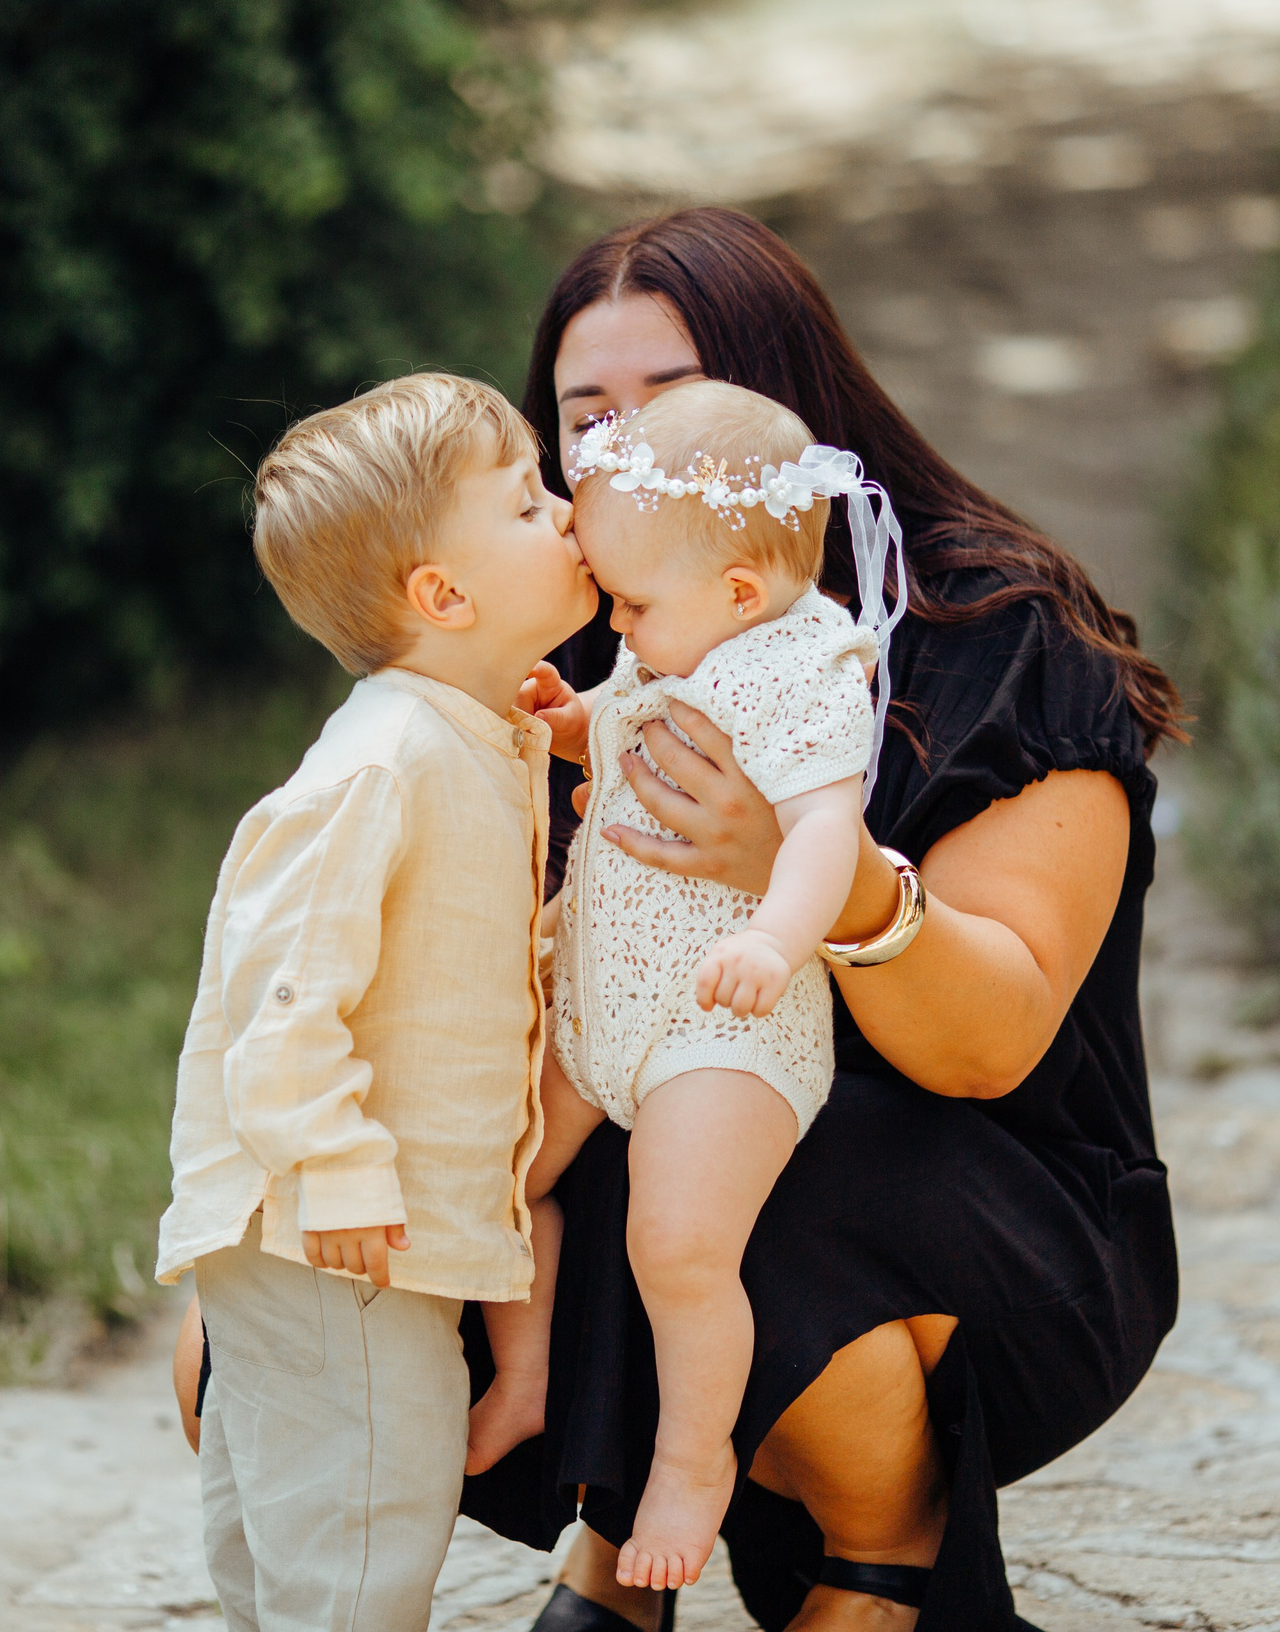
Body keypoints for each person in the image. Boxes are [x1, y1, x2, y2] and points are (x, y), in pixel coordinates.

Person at [458, 206, 1187, 1632]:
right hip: (688, 1126)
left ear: (779, 401)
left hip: (998, 1219)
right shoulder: (597, 643)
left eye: (665, 399)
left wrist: (810, 870)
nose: (617, 447)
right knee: (354, 1250)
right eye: (582, 414)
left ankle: (886, 1547)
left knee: (752, 1143)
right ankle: (616, 1523)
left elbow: (994, 1043)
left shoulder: (997, 627)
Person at [155, 371, 600, 1632]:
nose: (566, 512)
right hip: (343, 1237)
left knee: (293, 1540)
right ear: (442, 595)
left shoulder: (475, 731)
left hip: (361, 1238)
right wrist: (339, 1166)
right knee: (362, 1544)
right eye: (527, 503)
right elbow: (282, 988)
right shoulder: (384, 761)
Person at [465, 380, 902, 1592]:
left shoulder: (802, 670)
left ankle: (689, 1455)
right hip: (609, 1005)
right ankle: (527, 1373)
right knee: (504, 1180)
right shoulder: (679, 638)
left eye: (630, 601)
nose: (612, 617)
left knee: (677, 1242)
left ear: (741, 594)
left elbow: (824, 832)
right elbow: (634, 714)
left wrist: (775, 936)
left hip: (724, 1028)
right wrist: (573, 721)